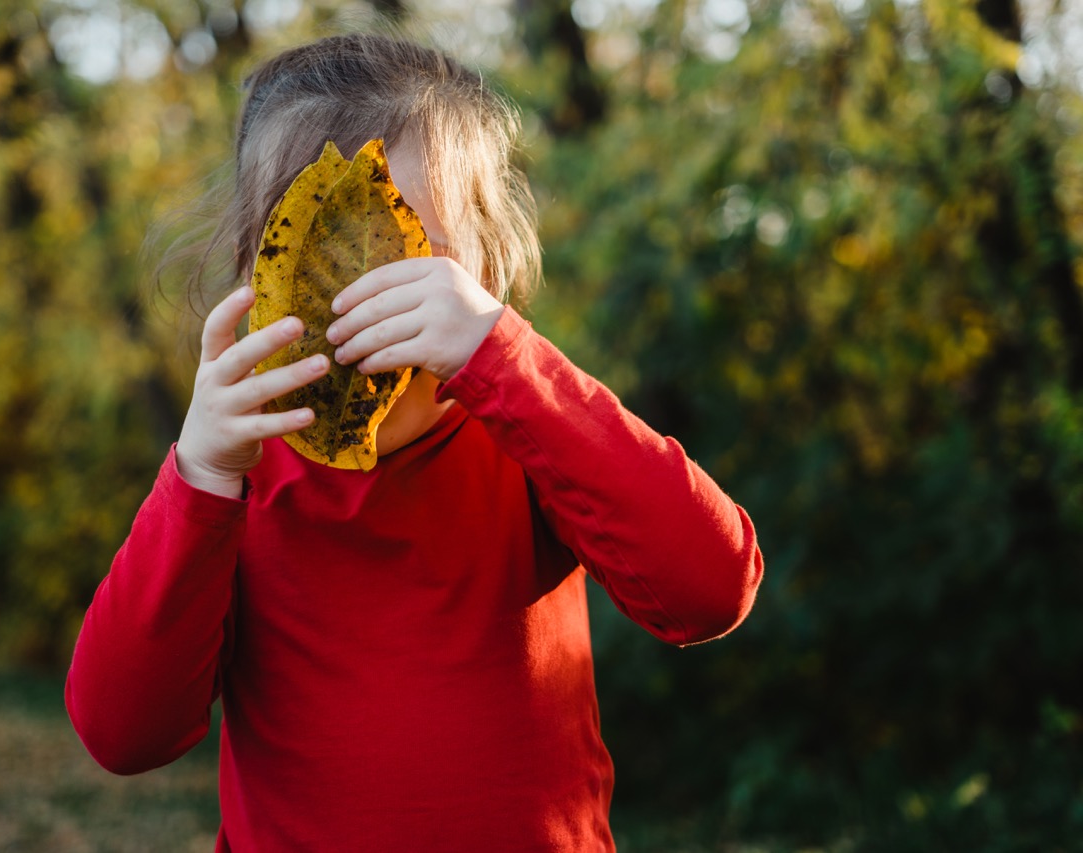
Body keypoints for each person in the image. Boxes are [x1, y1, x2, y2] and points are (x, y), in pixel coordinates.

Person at [66, 32, 764, 852]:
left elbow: (709, 588)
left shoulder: (528, 431)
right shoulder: (237, 475)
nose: (365, 309)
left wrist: (504, 359)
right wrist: (198, 477)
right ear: (254, 271)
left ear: (484, 276)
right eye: (320, 260)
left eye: (409, 262)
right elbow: (122, 732)